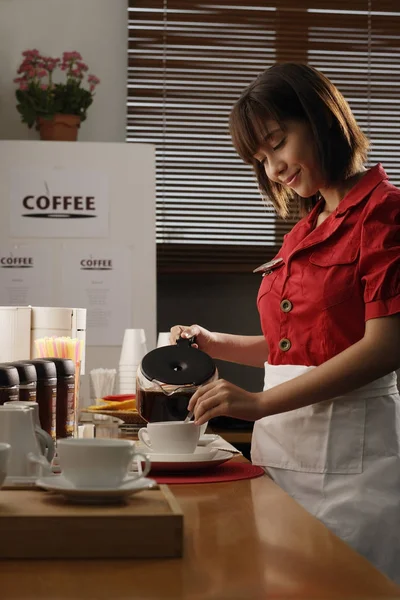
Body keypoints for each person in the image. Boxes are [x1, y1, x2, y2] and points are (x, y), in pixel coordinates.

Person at [170, 63, 400, 582]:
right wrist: (217, 343)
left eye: (278, 143)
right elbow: (296, 346)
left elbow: (385, 347)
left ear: (321, 120)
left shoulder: (386, 214)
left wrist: (258, 404)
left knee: (346, 587)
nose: (273, 169)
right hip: (281, 452)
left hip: (352, 464)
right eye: (260, 159)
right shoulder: (304, 228)